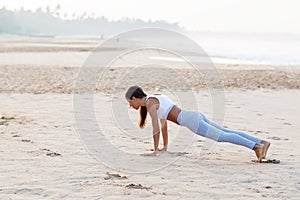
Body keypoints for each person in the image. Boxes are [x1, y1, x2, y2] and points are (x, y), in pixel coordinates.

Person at [125, 86, 270, 162]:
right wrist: (164, 148)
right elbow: (163, 126)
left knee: (221, 136)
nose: (131, 106)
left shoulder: (150, 103)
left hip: (189, 120)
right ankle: (261, 142)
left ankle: (255, 147)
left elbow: (156, 127)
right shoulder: (154, 98)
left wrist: (156, 151)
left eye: (130, 103)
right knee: (225, 131)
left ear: (134, 98)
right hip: (193, 115)